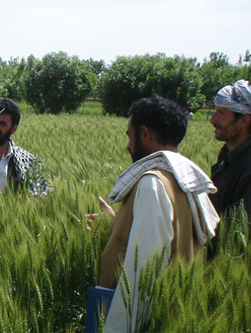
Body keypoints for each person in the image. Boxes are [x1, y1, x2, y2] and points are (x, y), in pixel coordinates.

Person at [96, 96, 220, 331]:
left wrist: (117, 327)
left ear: (145, 134)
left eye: (128, 135)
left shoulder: (152, 183)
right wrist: (118, 223)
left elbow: (143, 269)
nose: (127, 146)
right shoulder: (189, 181)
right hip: (176, 311)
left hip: (147, 320)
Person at [208, 80, 251, 240]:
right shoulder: (228, 157)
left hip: (226, 261)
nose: (212, 119)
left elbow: (245, 236)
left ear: (244, 120)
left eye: (221, 113)